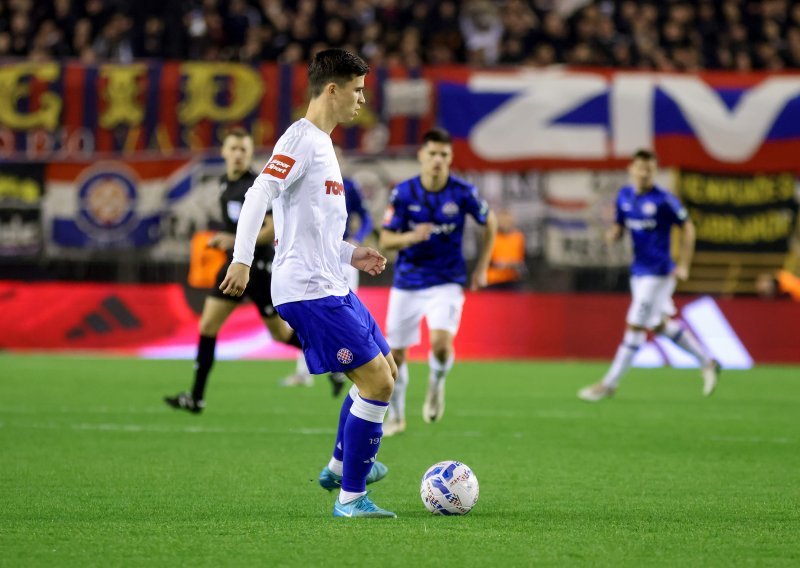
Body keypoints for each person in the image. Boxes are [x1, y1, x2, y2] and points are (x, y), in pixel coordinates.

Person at [219, 49, 398, 518]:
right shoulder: (301, 140)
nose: (362, 99)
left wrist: (349, 252)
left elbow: (309, 229)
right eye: (357, 90)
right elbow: (259, 194)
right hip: (306, 290)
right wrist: (241, 259)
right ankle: (351, 497)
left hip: (331, 280)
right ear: (333, 90)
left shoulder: (323, 146)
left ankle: (342, 466)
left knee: (388, 370)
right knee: (376, 382)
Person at [164, 127, 303, 414]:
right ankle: (196, 397)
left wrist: (232, 240)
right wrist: (227, 240)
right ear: (224, 152)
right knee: (208, 326)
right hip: (233, 266)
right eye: (234, 149)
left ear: (251, 153)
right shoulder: (224, 184)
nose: (238, 154)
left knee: (280, 335)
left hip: (259, 268)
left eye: (244, 149)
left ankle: (341, 359)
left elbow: (271, 229)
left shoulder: (256, 185)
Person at [379, 127, 497, 436]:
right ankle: (398, 417)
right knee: (396, 356)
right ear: (421, 156)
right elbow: (386, 239)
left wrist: (482, 267)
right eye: (432, 154)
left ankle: (436, 384)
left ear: (450, 158)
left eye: (443, 155)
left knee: (442, 346)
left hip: (447, 280)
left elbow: (490, 220)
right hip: (408, 281)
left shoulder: (462, 192)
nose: (437, 160)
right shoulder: (403, 193)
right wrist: (411, 236)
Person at [578, 149, 720, 402]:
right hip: (639, 273)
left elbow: (688, 227)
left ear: (655, 172)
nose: (644, 173)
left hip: (659, 274)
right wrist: (612, 235)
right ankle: (707, 362)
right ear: (631, 169)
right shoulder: (624, 196)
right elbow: (619, 227)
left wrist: (684, 263)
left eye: (650, 169)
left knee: (635, 327)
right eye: (641, 168)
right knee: (659, 325)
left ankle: (609, 384)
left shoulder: (664, 200)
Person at [282, 153, 375, 396]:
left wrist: (358, 239)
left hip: (341, 256)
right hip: (311, 257)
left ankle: (354, 364)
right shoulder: (309, 183)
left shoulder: (349, 186)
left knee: (346, 312)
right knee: (308, 313)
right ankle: (307, 372)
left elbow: (366, 218)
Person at [486, 208, 526, 290]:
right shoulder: (493, 237)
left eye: (507, 221)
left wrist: (509, 264)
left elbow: (520, 259)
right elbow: (491, 261)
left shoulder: (518, 237)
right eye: (503, 221)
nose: (505, 224)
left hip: (512, 279)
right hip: (494, 280)